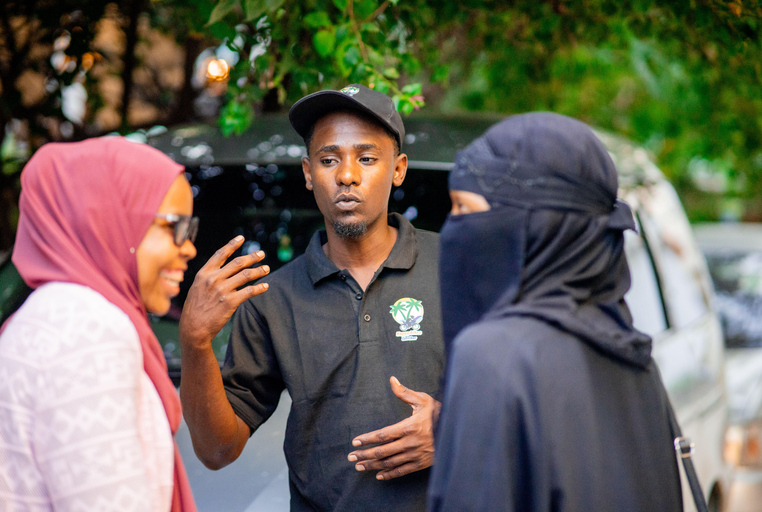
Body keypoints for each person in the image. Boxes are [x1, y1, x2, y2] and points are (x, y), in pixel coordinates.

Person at [179, 84, 444, 511]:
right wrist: (194, 341)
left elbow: (528, 400)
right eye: (328, 160)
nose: (347, 175)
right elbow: (216, 450)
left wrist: (453, 429)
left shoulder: (457, 268)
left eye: (368, 158)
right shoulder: (272, 298)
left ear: (398, 169)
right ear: (308, 173)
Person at [427, 112, 684, 511]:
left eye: (464, 208)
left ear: (533, 224)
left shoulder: (495, 358)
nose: (451, 229)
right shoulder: (634, 356)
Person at [0, 137, 198, 511]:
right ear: (107, 220)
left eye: (191, 228)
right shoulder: (84, 329)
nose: (188, 247)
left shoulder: (55, 317)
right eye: (175, 226)